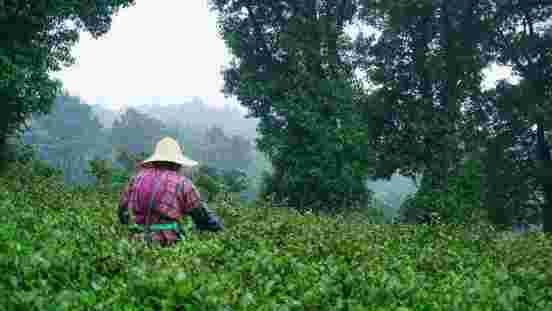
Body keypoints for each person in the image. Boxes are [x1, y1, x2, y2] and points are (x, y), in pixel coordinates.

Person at [118, 137, 223, 246]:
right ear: (177, 164)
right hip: (167, 243)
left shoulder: (136, 179)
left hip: (135, 243)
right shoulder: (183, 183)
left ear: (155, 161)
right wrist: (219, 229)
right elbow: (202, 216)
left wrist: (134, 225)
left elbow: (122, 212)